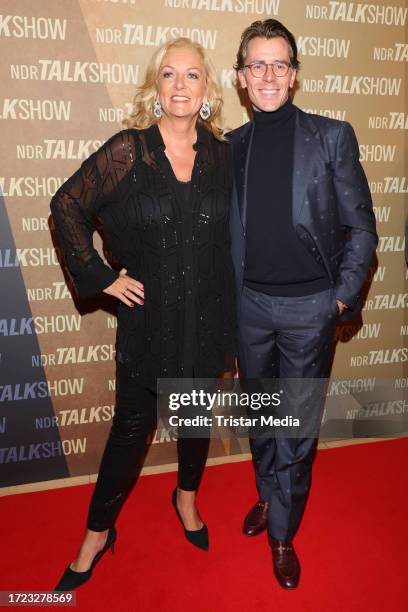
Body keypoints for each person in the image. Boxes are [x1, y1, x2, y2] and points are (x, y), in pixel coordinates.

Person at [51, 37, 236, 591]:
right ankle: (96, 533)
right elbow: (67, 206)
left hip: (207, 318)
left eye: (193, 76)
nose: (181, 85)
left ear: (207, 90)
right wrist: (103, 278)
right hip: (149, 323)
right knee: (130, 431)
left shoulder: (224, 156)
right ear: (155, 87)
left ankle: (186, 498)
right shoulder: (128, 151)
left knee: (195, 418)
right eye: (169, 75)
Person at [228, 19, 377, 589]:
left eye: (279, 64)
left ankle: (283, 533)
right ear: (242, 78)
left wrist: (339, 299)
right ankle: (268, 497)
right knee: (262, 417)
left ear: (294, 74)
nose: (268, 75)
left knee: (297, 427)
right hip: (249, 311)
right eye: (257, 65)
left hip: (310, 309)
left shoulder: (331, 136)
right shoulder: (230, 147)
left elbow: (361, 229)